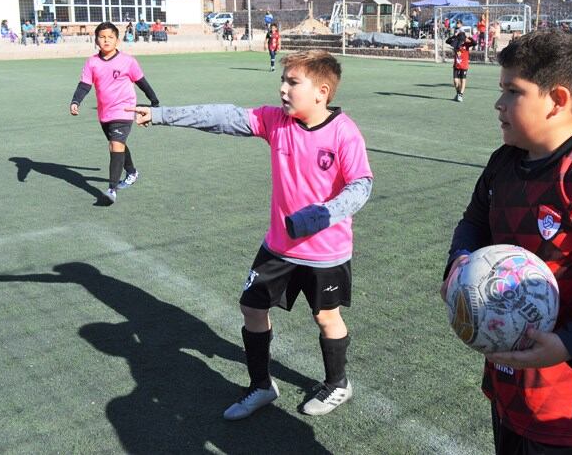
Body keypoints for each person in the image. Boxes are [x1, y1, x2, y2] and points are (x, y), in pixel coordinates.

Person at [441, 29, 572, 453]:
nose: (499, 104)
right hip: (507, 373)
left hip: (568, 391)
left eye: (512, 92)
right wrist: (458, 265)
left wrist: (566, 345)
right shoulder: (504, 161)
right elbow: (473, 223)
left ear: (557, 100)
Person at [127, 50, 373, 420]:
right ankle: (261, 386)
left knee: (326, 318)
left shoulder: (344, 132)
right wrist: (161, 115)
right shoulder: (275, 121)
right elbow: (223, 116)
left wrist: (321, 215)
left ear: (322, 91)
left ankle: (337, 383)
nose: (283, 89)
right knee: (252, 308)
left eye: (293, 82)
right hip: (278, 247)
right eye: (283, 80)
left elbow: (361, 186)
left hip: (326, 253)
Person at [69, 22, 161, 205]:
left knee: (115, 145)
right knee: (118, 144)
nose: (106, 40)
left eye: (110, 37)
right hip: (105, 113)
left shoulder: (128, 61)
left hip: (125, 109)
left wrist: (154, 101)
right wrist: (75, 101)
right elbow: (85, 85)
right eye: (102, 37)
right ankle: (132, 172)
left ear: (117, 40)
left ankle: (111, 189)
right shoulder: (92, 62)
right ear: (96, 40)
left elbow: (142, 82)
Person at [445, 22, 476, 102]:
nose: (462, 42)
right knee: (455, 81)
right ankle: (458, 93)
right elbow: (447, 41)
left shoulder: (467, 44)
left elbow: (475, 43)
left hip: (464, 65)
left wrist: (470, 37)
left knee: (463, 80)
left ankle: (460, 95)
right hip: (456, 65)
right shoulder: (455, 43)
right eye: (460, 40)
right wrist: (454, 36)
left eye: (463, 40)